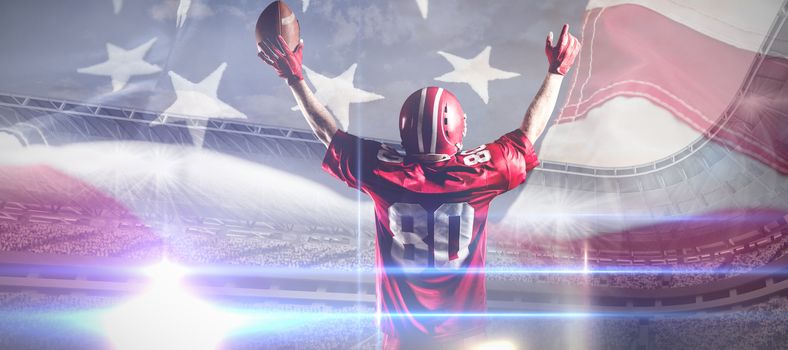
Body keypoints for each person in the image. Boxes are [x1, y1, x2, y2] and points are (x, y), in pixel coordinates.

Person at [258, 23, 580, 350]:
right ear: (456, 127)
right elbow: (530, 132)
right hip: (464, 336)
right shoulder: (481, 173)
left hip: (401, 338)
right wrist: (557, 73)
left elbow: (328, 132)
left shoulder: (381, 171)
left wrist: (294, 79)